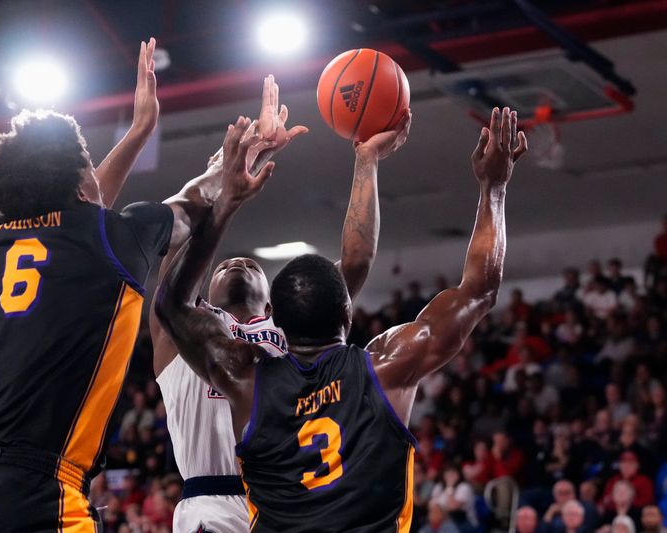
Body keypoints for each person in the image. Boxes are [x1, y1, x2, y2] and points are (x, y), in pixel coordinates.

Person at [155, 107, 527, 530]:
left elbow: (169, 302)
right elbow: (479, 289)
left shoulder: (246, 376)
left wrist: (226, 197)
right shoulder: (386, 367)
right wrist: (493, 189)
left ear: (277, 326)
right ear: (348, 310)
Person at [0, 39, 224, 532]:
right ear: (79, 184)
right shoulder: (114, 234)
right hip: (37, 490)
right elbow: (189, 208)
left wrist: (139, 132)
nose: (96, 174)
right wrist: (224, 171)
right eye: (89, 165)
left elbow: (80, 225)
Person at [150, 77, 405, 532]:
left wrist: (366, 163)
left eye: (251, 265)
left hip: (284, 499)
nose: (241, 262)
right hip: (211, 501)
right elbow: (175, 263)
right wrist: (229, 169)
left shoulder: (295, 336)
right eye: (226, 264)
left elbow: (355, 263)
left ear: (278, 304)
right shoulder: (188, 331)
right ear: (208, 292)